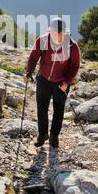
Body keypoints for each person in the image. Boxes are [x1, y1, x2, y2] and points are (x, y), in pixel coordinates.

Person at [24, 18, 80, 148]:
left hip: (61, 82)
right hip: (44, 79)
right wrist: (28, 73)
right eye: (53, 33)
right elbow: (33, 57)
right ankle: (42, 134)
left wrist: (67, 82)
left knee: (58, 110)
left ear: (64, 32)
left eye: (58, 33)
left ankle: (54, 136)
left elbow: (75, 65)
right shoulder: (43, 40)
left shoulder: (72, 45)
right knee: (41, 108)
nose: (55, 36)